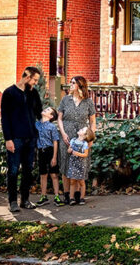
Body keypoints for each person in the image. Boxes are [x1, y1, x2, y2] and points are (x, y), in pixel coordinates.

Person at [0, 66, 43, 213]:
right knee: (13, 170)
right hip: (15, 138)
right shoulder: (9, 93)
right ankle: (12, 201)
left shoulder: (33, 93)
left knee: (28, 170)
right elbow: (5, 118)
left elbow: (39, 112)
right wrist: (8, 139)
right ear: (27, 77)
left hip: (31, 138)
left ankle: (25, 200)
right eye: (34, 80)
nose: (36, 83)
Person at [57, 76, 96, 205]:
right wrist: (63, 134)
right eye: (71, 82)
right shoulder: (65, 100)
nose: (70, 85)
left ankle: (78, 195)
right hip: (67, 137)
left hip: (82, 137)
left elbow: (92, 122)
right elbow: (60, 119)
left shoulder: (88, 102)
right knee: (65, 164)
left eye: (73, 83)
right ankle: (67, 195)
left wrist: (91, 138)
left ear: (80, 85)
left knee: (80, 164)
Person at [35, 107, 64, 207]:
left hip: (50, 151)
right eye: (45, 109)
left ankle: (57, 196)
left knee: (54, 174)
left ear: (51, 116)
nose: (45, 110)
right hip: (41, 152)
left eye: (48, 110)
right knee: (43, 174)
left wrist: (54, 157)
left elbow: (55, 141)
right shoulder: (37, 124)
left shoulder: (52, 127)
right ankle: (44, 196)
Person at [66, 125, 95, 205]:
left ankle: (82, 198)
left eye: (82, 130)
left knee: (81, 181)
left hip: (81, 165)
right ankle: (71, 198)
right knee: (72, 181)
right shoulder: (73, 140)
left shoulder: (84, 144)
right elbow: (69, 149)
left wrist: (77, 153)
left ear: (85, 135)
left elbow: (85, 154)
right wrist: (69, 150)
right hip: (73, 164)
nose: (80, 129)